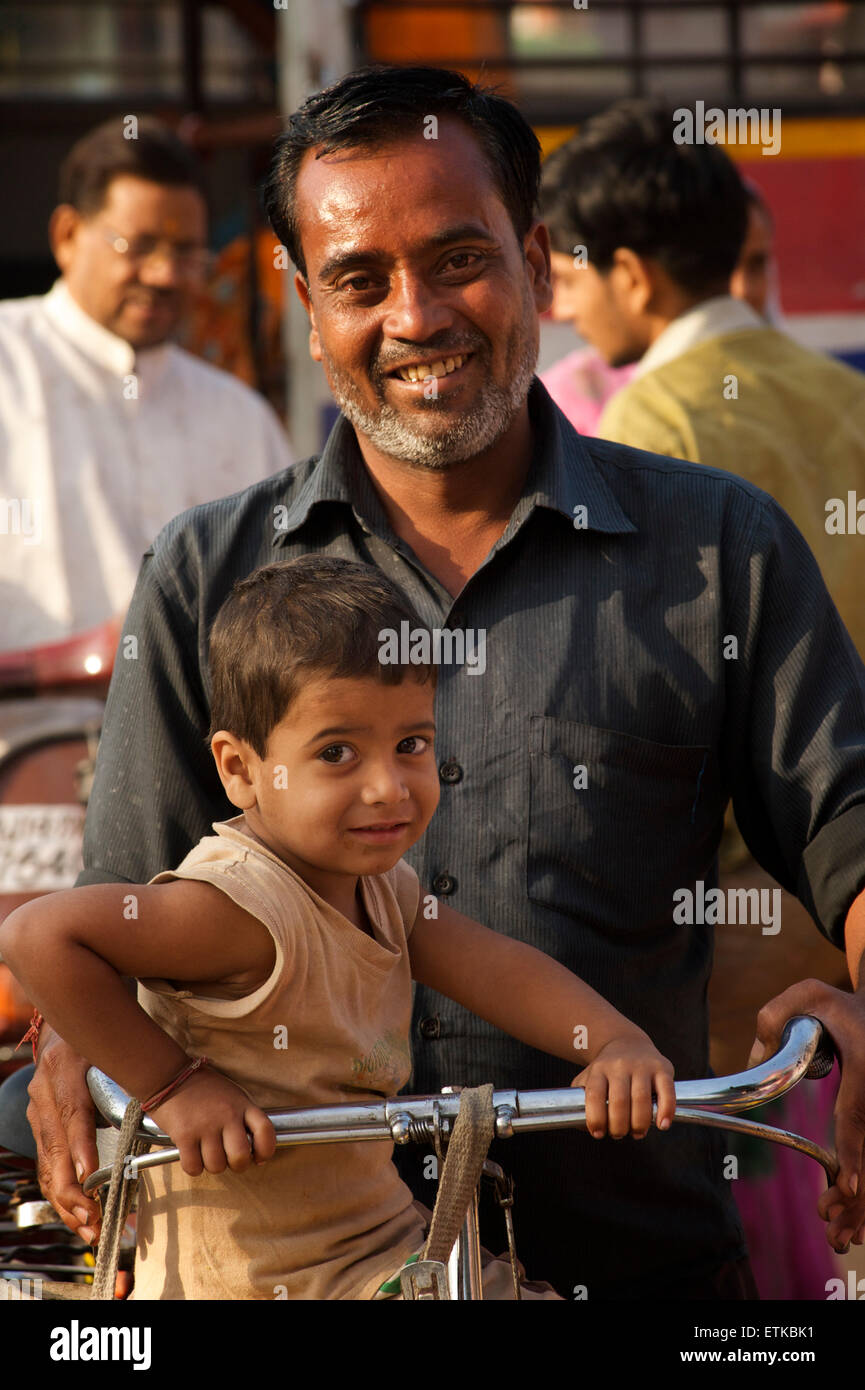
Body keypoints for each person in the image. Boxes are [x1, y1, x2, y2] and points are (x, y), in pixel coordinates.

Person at [18, 65, 865, 1301]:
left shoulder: (714, 547)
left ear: (533, 259)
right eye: (360, 279)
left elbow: (846, 815)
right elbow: (117, 900)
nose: (416, 316)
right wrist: (90, 1063)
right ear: (307, 303)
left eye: (458, 258)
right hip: (279, 1267)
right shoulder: (208, 569)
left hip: (633, 1260)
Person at [0, 556, 678, 1300]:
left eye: (411, 745)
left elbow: (499, 967)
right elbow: (38, 936)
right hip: (258, 1282)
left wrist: (612, 1041)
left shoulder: (382, 891)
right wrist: (174, 1087)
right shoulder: (240, 907)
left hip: (384, 1250)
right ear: (239, 769)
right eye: (335, 754)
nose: (387, 785)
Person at [0, 117, 293, 653]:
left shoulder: (239, 416)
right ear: (67, 236)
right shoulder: (8, 363)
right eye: (139, 246)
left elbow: (289, 596)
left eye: (185, 254)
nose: (163, 275)